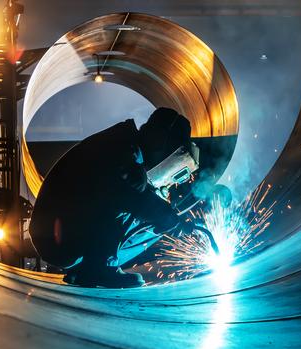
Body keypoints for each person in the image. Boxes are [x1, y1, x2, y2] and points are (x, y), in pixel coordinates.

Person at [29, 107, 198, 288]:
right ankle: (99, 268)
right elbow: (123, 198)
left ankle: (86, 270)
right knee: (149, 210)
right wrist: (168, 217)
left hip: (61, 235)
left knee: (157, 218)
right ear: (159, 139)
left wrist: (168, 218)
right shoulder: (121, 149)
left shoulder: (127, 148)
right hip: (57, 239)